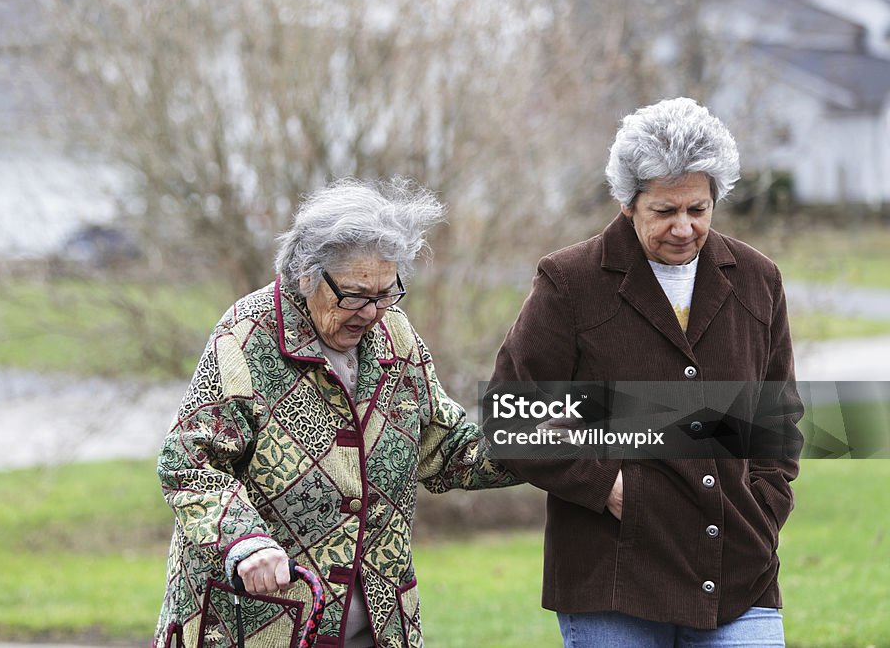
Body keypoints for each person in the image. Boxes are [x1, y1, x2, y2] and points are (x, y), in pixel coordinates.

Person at [489, 97, 803, 647]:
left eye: (698, 210)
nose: (684, 228)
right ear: (629, 202)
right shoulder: (569, 283)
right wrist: (609, 487)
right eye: (665, 211)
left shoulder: (758, 279)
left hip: (739, 571)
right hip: (612, 577)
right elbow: (510, 417)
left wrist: (763, 507)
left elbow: (777, 419)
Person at [153, 178, 519, 648]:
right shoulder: (245, 338)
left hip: (377, 623)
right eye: (355, 294)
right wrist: (245, 541)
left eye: (387, 293)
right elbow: (188, 461)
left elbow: (446, 449)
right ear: (306, 274)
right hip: (260, 623)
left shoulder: (397, 338)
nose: (372, 312)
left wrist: (560, 433)